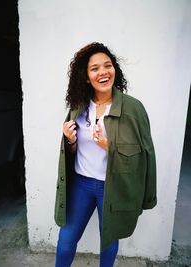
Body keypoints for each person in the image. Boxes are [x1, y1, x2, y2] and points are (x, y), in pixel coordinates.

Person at [54, 42, 157, 267]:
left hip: (112, 186)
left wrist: (108, 147)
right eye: (94, 68)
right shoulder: (78, 106)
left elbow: (145, 156)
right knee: (66, 240)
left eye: (107, 65)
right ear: (86, 76)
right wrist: (70, 141)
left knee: (108, 240)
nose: (103, 72)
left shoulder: (133, 109)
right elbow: (73, 152)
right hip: (81, 184)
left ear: (114, 70)